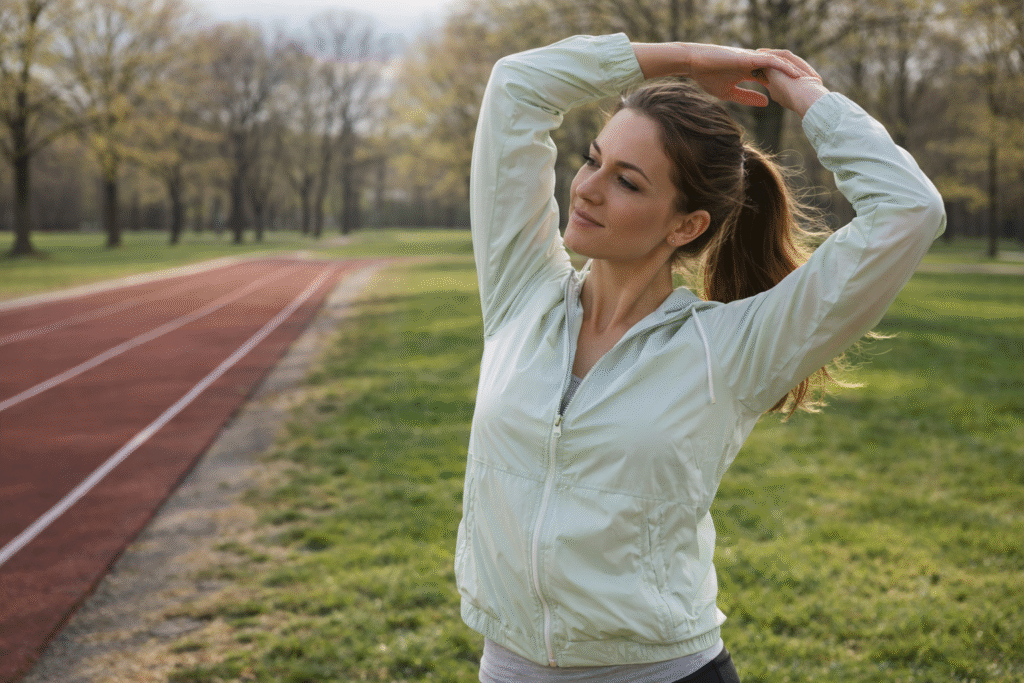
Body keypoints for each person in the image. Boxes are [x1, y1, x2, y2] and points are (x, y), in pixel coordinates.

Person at [456, 33, 945, 683]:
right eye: (592, 159)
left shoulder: (737, 348)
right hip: (508, 667)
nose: (588, 189)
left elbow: (910, 211)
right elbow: (517, 84)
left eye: (626, 181)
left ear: (684, 225)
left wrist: (806, 97)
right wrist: (687, 61)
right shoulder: (522, 297)